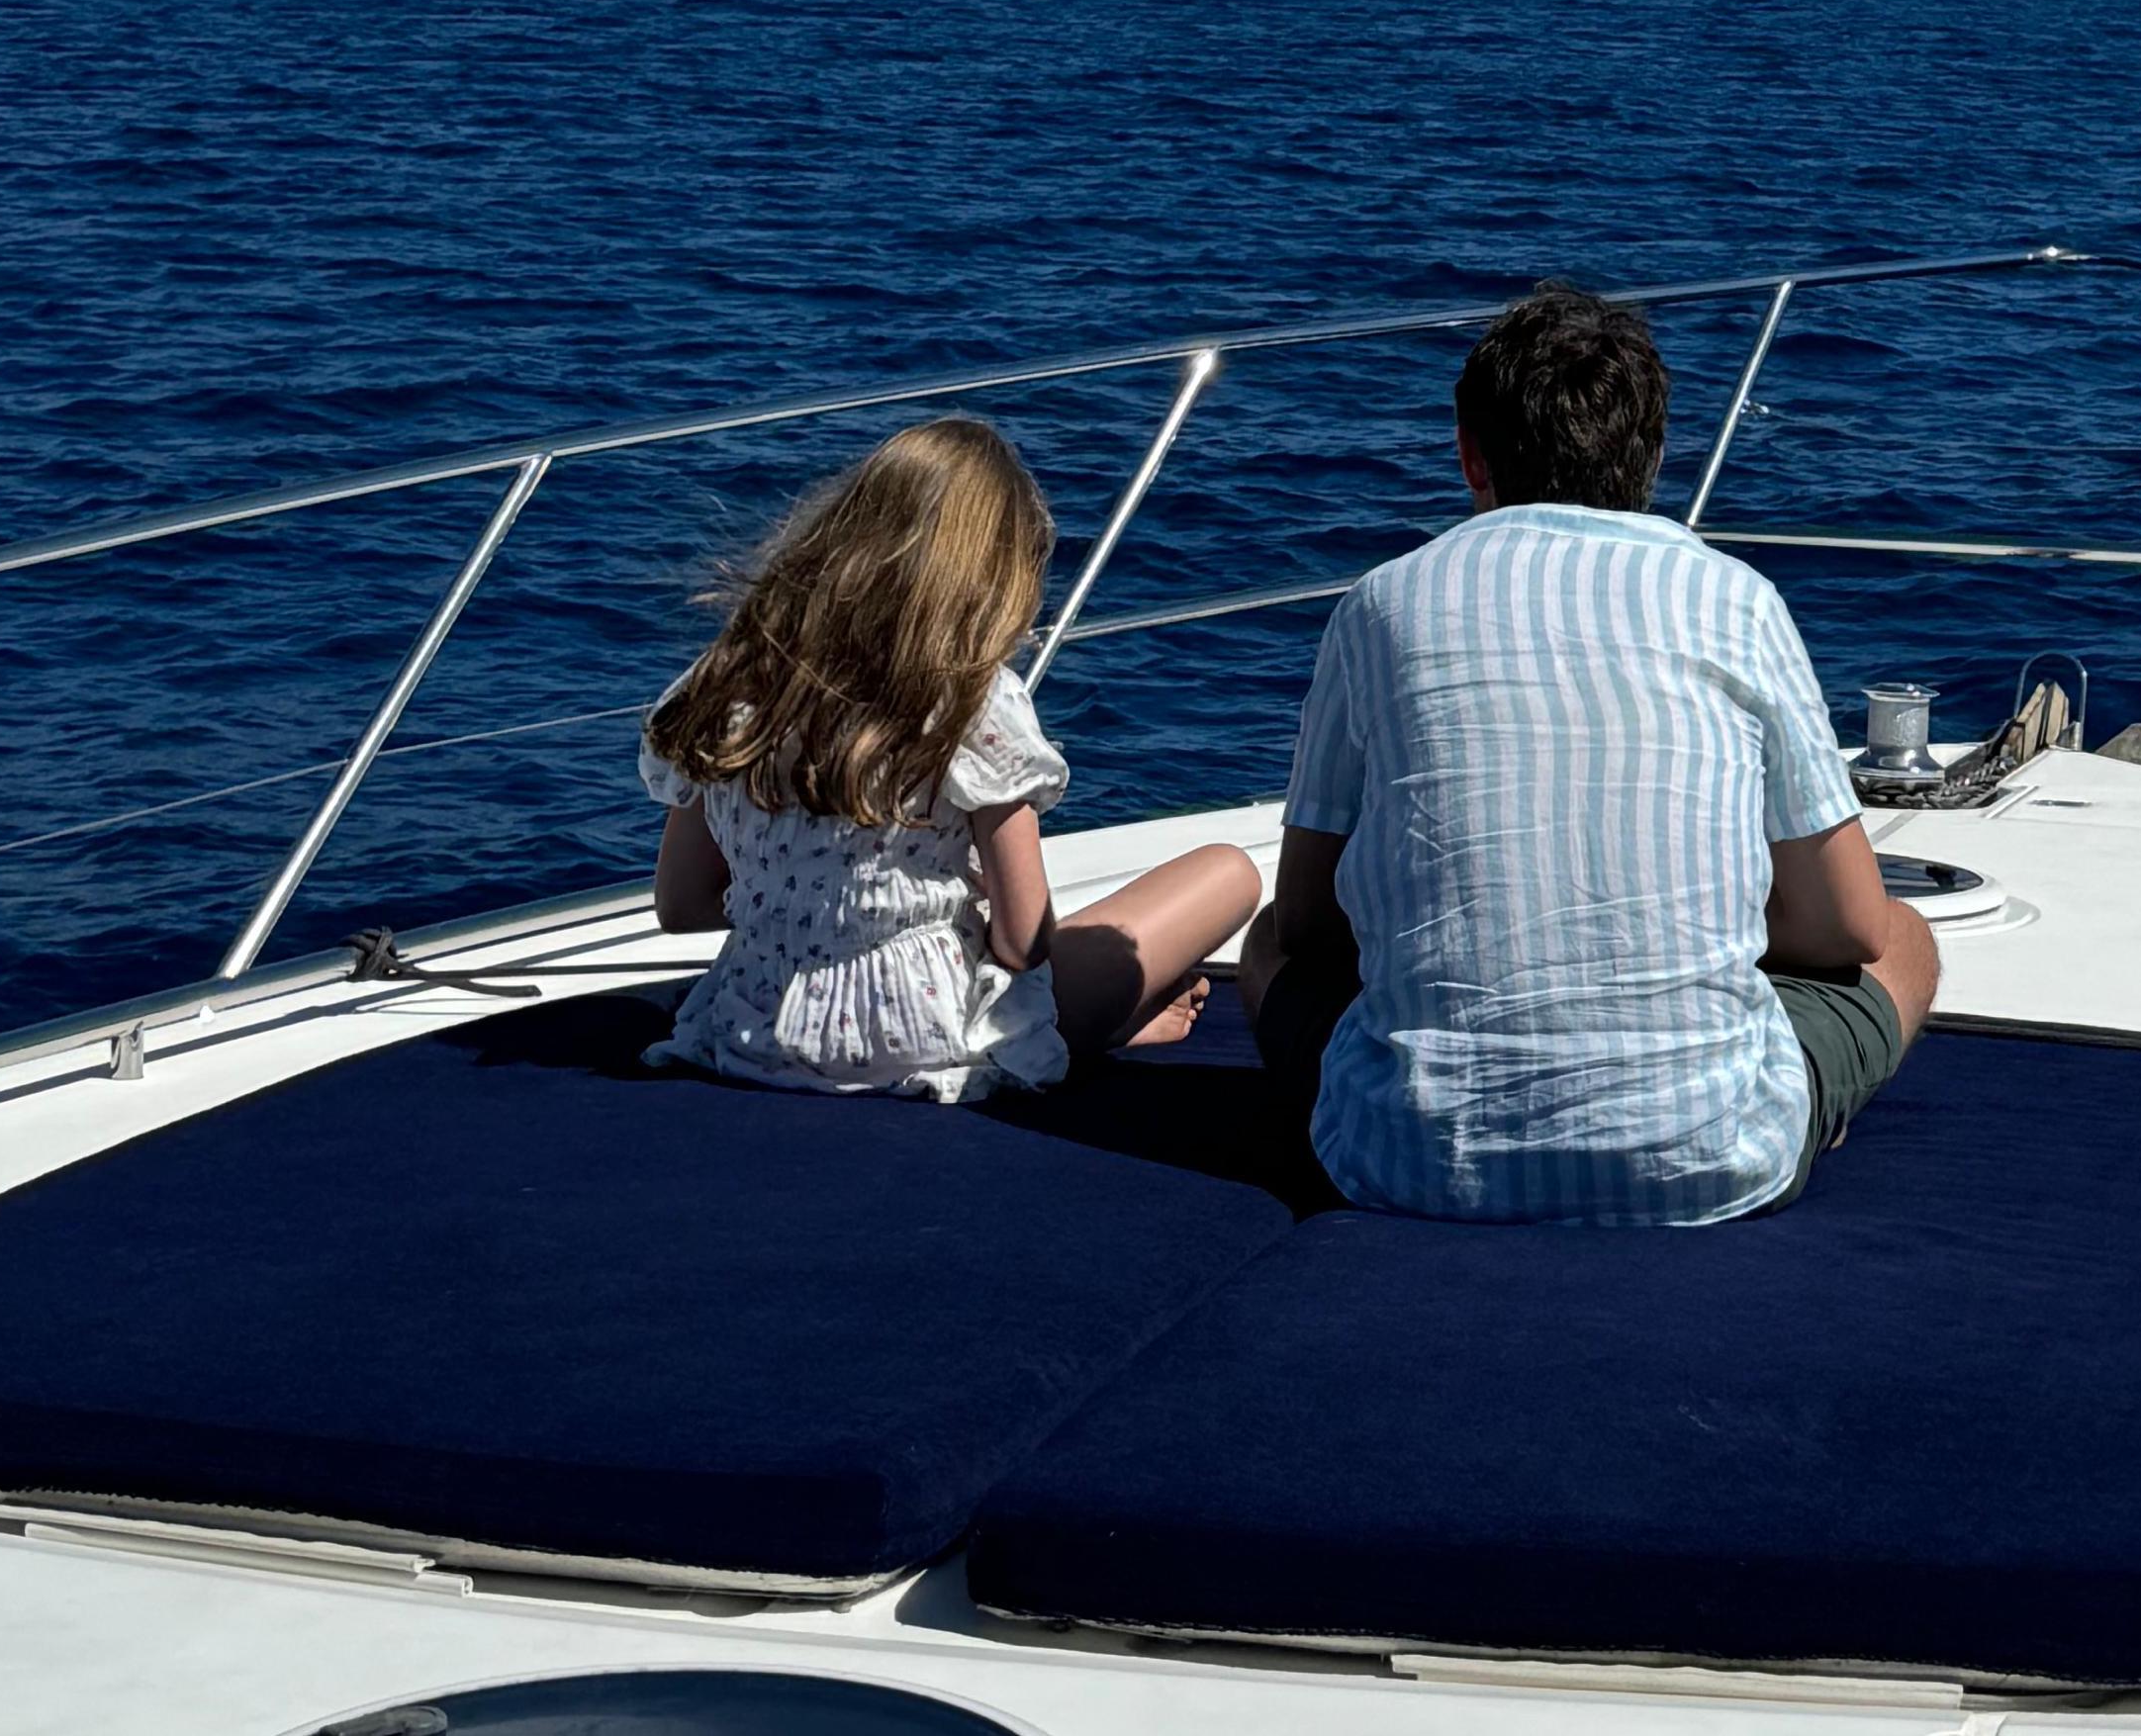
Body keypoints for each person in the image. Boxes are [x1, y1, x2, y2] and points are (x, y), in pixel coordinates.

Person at [1239, 283, 1939, 1223]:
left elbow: (1313, 923)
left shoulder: (1379, 604)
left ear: (1470, 455)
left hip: (1405, 1160)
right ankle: (1800, 1100)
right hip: (1718, 1151)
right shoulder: (1735, 599)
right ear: (1649, 458)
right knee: (1906, 939)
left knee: (1262, 943)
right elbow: (1850, 928)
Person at [640, 413, 1260, 1102]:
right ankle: (1098, 1024)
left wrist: (814, 909)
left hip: (753, 1030)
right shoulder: (973, 700)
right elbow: (1023, 944)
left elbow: (682, 903)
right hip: (926, 1036)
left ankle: (1110, 1020)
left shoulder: (731, 679)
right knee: (1228, 872)